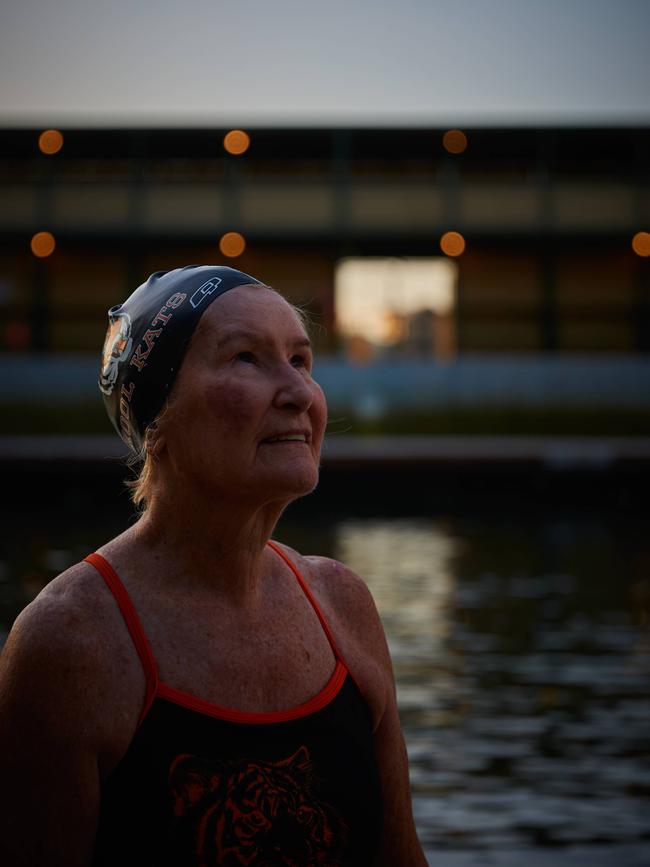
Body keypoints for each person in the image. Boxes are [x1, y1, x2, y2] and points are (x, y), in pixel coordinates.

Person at [0, 265, 427, 866]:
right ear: (156, 421)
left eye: (301, 361)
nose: (300, 393)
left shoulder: (343, 605)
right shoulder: (72, 645)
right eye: (247, 359)